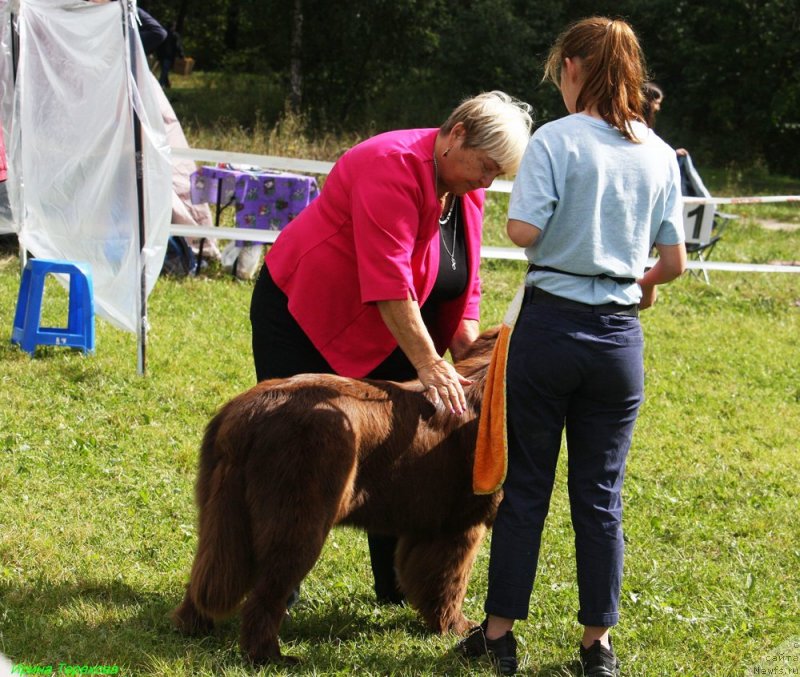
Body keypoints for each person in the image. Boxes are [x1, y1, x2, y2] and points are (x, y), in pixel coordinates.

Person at [455, 18, 686, 676]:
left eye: (560, 68)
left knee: (527, 486)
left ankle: (499, 634)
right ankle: (597, 644)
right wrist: (631, 273)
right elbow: (672, 264)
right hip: (618, 341)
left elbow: (524, 227)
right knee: (601, 494)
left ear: (576, 68)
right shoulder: (660, 152)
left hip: (551, 327)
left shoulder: (556, 141)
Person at [250, 91, 533, 606]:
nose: (488, 182)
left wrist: (467, 357)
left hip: (393, 326)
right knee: (299, 456)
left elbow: (462, 284)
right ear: (457, 134)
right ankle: (271, 592)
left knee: (398, 454)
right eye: (487, 167)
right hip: (305, 315)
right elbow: (387, 280)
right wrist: (429, 363)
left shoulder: (466, 187)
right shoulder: (391, 165)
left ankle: (396, 590)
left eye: (499, 175)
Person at [156, 21, 184, 89]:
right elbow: (177, 46)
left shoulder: (163, 34)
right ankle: (160, 85)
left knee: (165, 70)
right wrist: (181, 55)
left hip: (161, 55)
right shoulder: (174, 35)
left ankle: (167, 85)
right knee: (165, 71)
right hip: (168, 55)